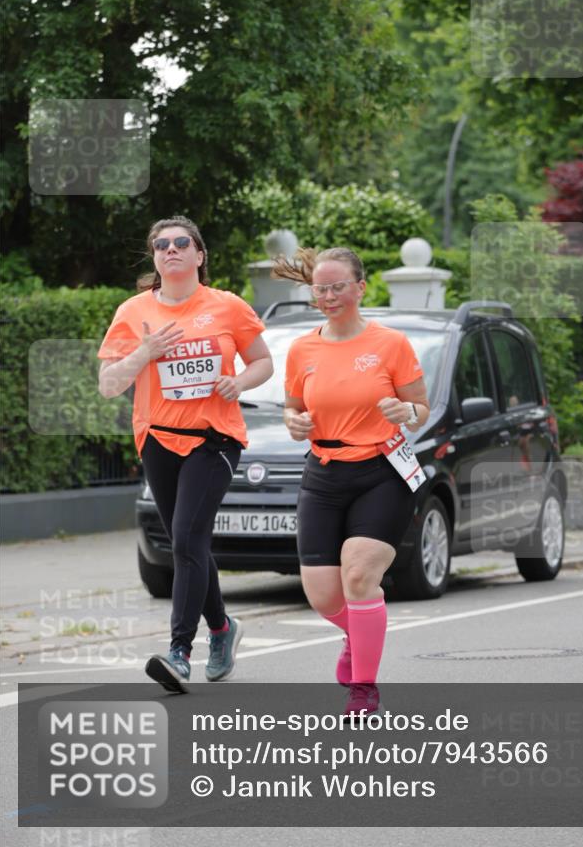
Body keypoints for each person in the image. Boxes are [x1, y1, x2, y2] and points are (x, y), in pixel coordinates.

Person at [98, 216, 273, 693]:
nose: (170, 249)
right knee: (188, 543)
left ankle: (179, 652)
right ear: (154, 257)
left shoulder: (227, 307)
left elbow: (262, 361)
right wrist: (145, 352)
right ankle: (222, 628)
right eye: (161, 244)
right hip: (157, 437)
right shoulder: (133, 312)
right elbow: (109, 384)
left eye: (181, 243)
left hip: (214, 437)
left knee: (186, 535)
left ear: (199, 255)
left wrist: (239, 381)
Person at [272, 246, 430, 717]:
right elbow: (293, 407)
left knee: (359, 576)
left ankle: (364, 688)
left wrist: (406, 412)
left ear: (361, 287)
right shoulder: (302, 349)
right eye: (321, 288)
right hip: (323, 472)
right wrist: (292, 421)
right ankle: (356, 633)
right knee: (322, 594)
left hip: (381, 471)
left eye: (339, 286)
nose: (329, 295)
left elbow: (420, 410)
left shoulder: (391, 343)